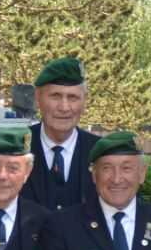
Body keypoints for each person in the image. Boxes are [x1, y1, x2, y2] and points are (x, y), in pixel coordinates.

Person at [23, 55, 98, 213]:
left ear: (84, 101)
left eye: (73, 97)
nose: (64, 107)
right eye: (55, 96)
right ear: (37, 98)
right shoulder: (12, 149)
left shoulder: (102, 153)